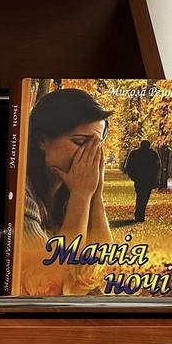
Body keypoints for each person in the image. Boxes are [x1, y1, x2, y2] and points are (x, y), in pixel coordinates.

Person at [20, 88, 113, 295]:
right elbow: (51, 282)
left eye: (97, 146)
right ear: (42, 140)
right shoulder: (21, 191)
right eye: (80, 142)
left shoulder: (71, 188)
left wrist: (95, 194)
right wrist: (81, 196)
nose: (91, 155)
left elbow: (104, 271)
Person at [123, 139, 161, 222]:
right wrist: (154, 176)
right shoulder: (153, 154)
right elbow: (158, 166)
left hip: (138, 179)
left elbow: (128, 165)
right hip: (148, 179)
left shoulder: (134, 153)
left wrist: (132, 176)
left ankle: (139, 214)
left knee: (139, 195)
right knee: (145, 197)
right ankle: (140, 214)